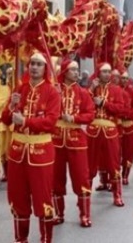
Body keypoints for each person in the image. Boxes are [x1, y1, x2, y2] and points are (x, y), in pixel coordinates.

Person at [3, 53, 60, 243]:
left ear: (45, 69)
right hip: (18, 151)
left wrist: (26, 121)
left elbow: (51, 122)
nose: (34, 67)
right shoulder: (20, 89)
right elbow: (5, 118)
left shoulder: (52, 92)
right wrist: (11, 106)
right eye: (32, 64)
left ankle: (46, 238)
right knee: (18, 196)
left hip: (41, 151)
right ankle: (21, 238)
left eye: (38, 64)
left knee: (43, 195)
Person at [53, 58, 96, 227]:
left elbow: (90, 115)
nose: (76, 72)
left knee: (81, 178)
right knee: (56, 179)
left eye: (77, 69)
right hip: (56, 140)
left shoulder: (83, 93)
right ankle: (59, 213)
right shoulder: (54, 91)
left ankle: (84, 214)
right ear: (64, 72)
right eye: (72, 69)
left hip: (77, 141)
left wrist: (74, 118)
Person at [88, 62, 126, 208]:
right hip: (94, 130)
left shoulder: (116, 90)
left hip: (110, 131)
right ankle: (86, 195)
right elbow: (82, 105)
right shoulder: (92, 88)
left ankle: (117, 195)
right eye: (104, 72)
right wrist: (91, 89)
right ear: (98, 73)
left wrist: (104, 103)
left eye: (109, 72)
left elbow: (120, 109)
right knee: (90, 164)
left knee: (113, 163)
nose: (107, 74)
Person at [118, 74, 133, 185]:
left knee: (128, 152)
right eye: (122, 78)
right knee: (115, 153)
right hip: (117, 126)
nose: (124, 80)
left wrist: (128, 115)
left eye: (126, 78)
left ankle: (125, 175)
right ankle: (113, 178)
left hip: (129, 125)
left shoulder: (132, 92)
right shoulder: (114, 90)